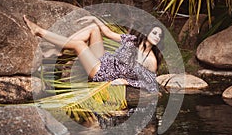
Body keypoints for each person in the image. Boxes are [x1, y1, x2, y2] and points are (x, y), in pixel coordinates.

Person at [23, 15, 164, 93]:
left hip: (103, 72)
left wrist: (126, 81)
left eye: (159, 35)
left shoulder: (151, 60)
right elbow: (108, 33)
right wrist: (95, 19)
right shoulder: (133, 40)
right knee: (93, 29)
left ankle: (40, 32)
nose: (157, 36)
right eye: (155, 32)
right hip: (106, 61)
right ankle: (58, 50)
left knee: (79, 45)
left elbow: (150, 84)